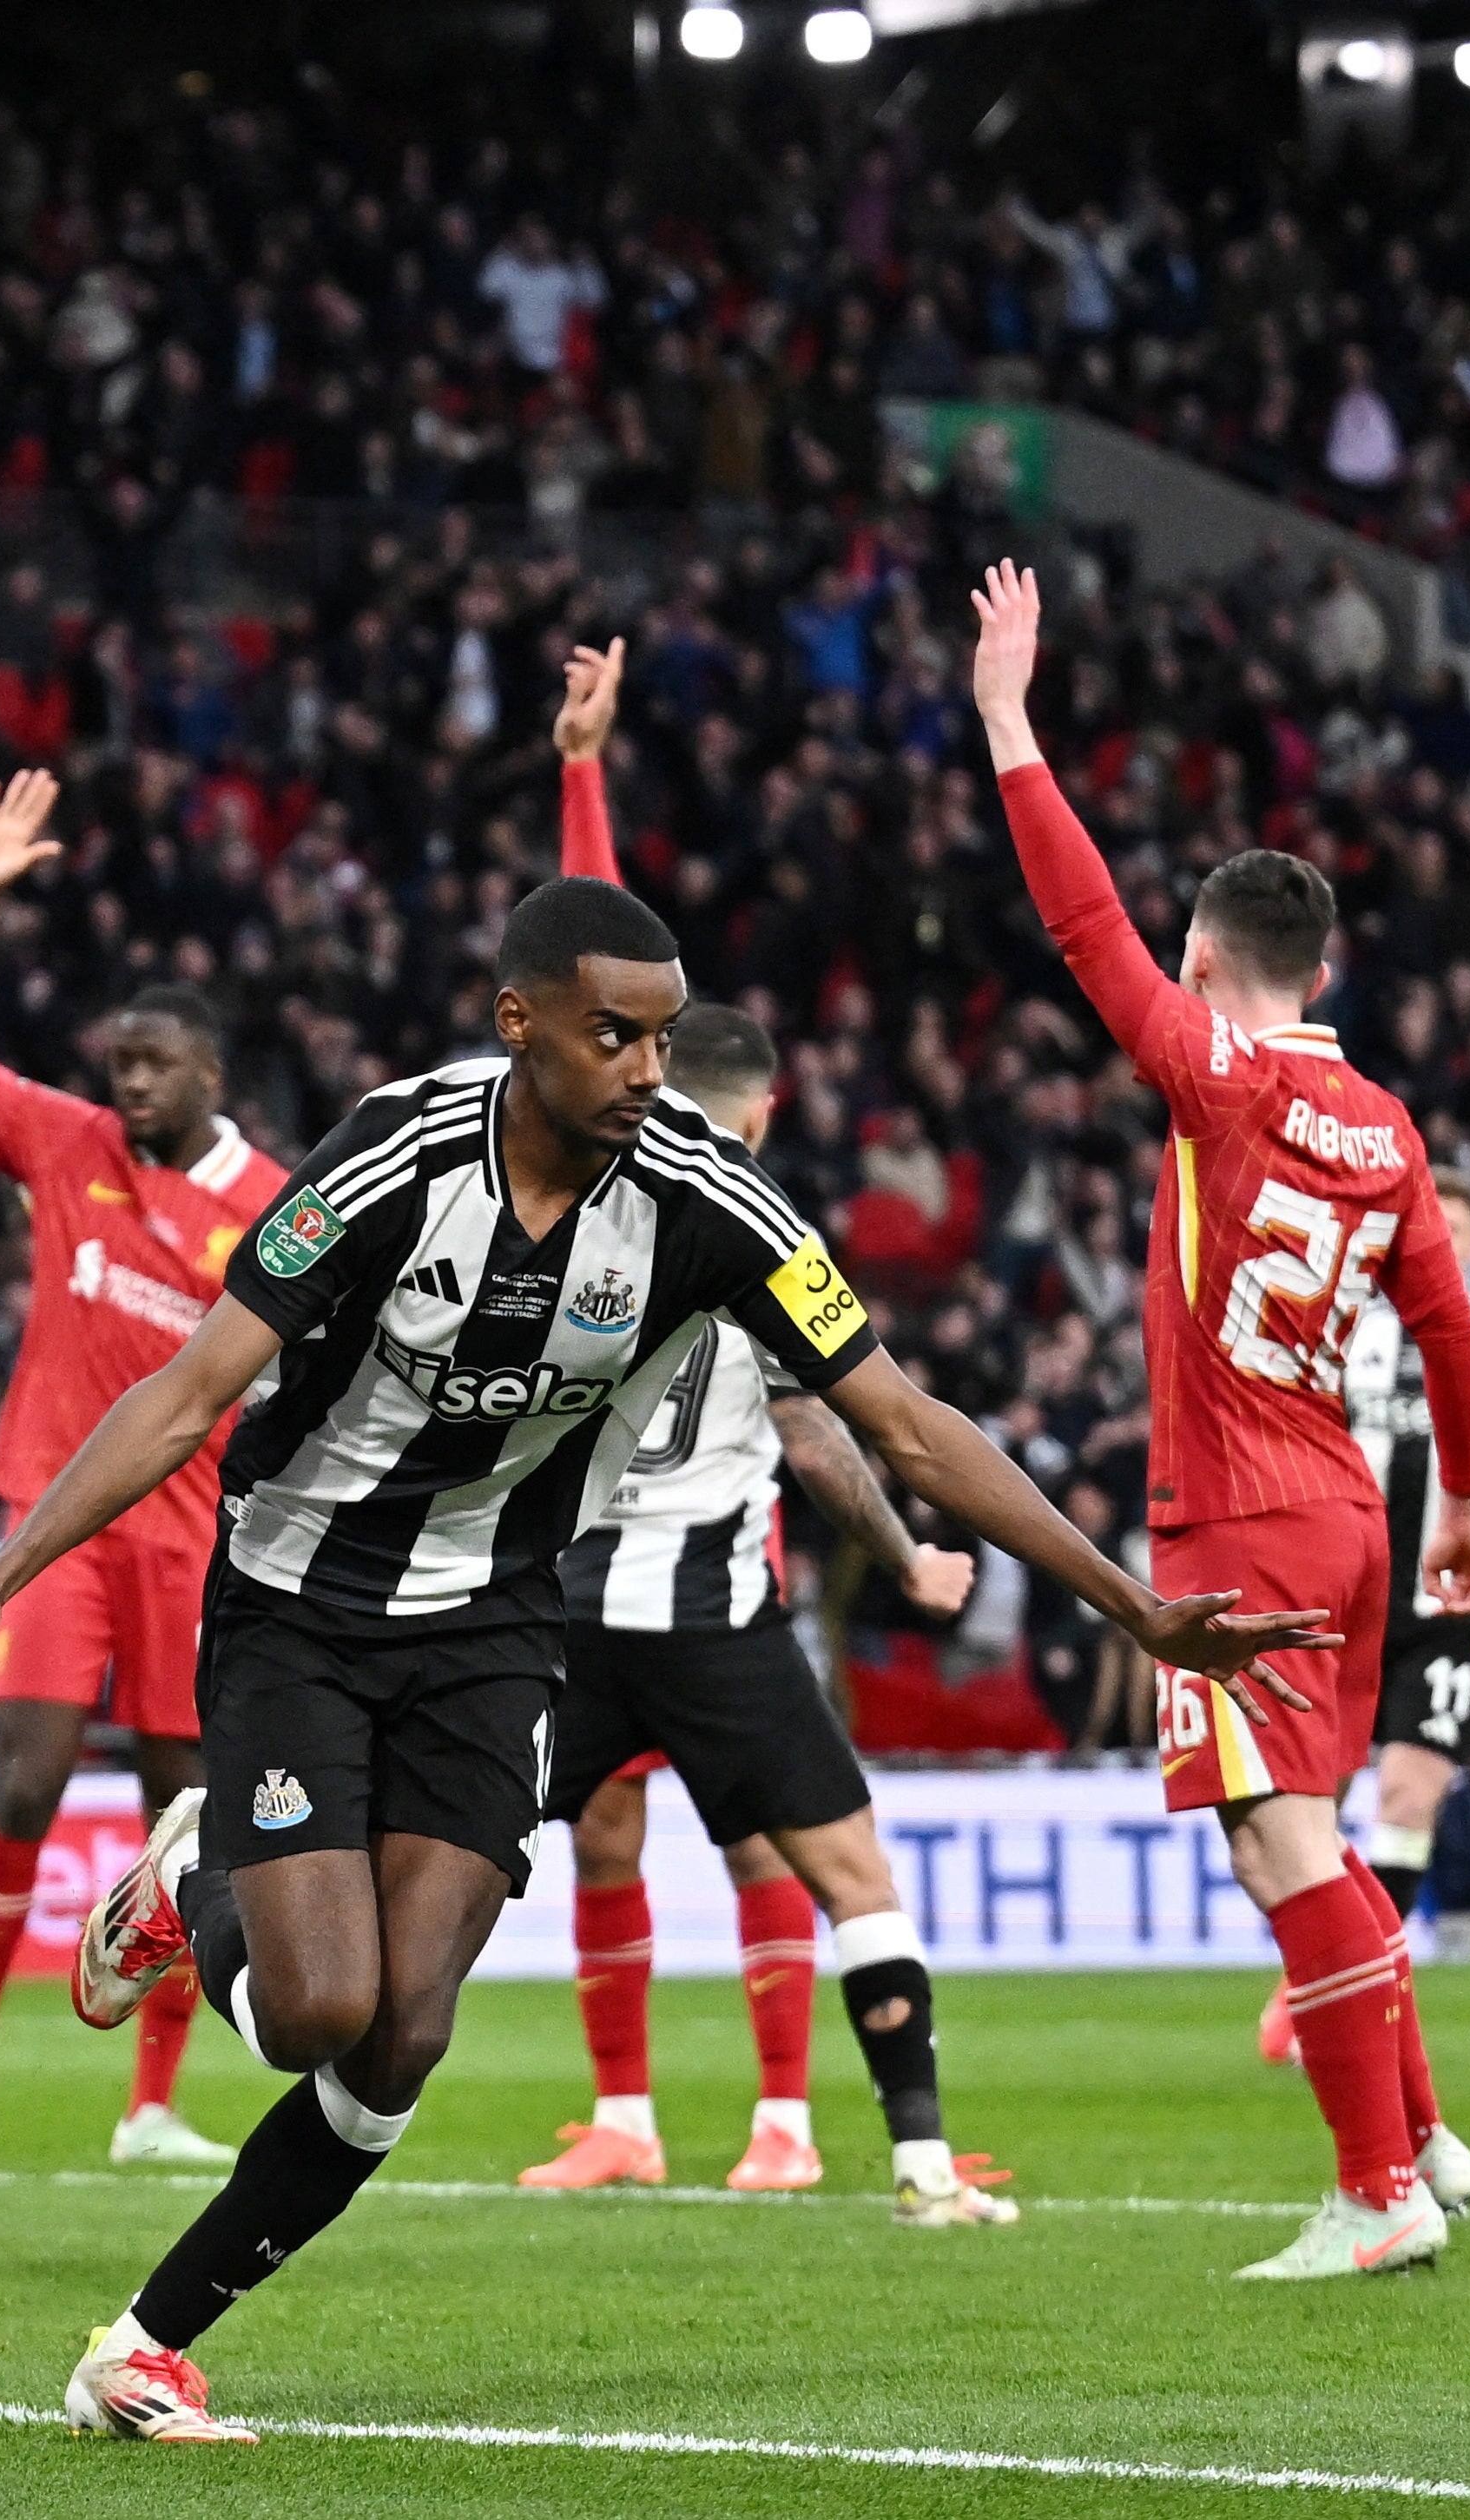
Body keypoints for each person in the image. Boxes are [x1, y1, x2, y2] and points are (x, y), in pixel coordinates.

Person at [0, 871, 1328, 2439]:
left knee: (406, 2033)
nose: (643, 1067)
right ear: (519, 1023)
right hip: (298, 1601)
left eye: (662, 1037)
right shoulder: (390, 1155)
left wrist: (1128, 1601)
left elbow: (904, 1422)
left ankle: (139, 2344)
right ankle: (192, 1868)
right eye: (613, 1035)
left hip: (495, 1619)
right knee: (311, 2010)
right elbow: (186, 1393)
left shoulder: (706, 1198)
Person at [970, 560, 1470, 2280]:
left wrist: (1002, 716)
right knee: (1321, 1838)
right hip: (1350, 1507)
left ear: (1207, 961)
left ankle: (1373, 2188)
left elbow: (1076, 928)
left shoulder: (1213, 1074)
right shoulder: (1391, 1126)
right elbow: (1447, 1335)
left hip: (1237, 1517)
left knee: (1277, 1843)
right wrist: (1468, 1510)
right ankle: (1418, 2127)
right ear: (1320, 964)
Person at [528, 643, 1005, 2215]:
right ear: (769, 1108)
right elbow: (831, 1420)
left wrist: (584, 766)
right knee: (786, 1846)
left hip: (600, 1584)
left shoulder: (613, 1170)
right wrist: (917, 1548)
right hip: (690, 1588)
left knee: (548, 1843)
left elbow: (586, 935)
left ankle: (764, 2116)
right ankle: (811, 2131)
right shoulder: (753, 1206)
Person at [0, 767, 289, 2174]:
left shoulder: (271, 1205)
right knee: (24, 1782)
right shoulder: (64, 1141)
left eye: (151, 1070)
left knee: (183, 1808)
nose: (126, 1088)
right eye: (115, 1067)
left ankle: (151, 2101)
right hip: (52, 1521)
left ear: (208, 1078)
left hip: (194, 1538)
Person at [1253, 1167, 1470, 2063]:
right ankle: (1314, 1972)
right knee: (1312, 1807)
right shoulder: (1338, 1325)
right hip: (1341, 1601)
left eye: (1459, 1225)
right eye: (1431, 1223)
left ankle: (1349, 1994)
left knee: (1409, 1793)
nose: (1443, 1239)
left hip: (1449, 1606)